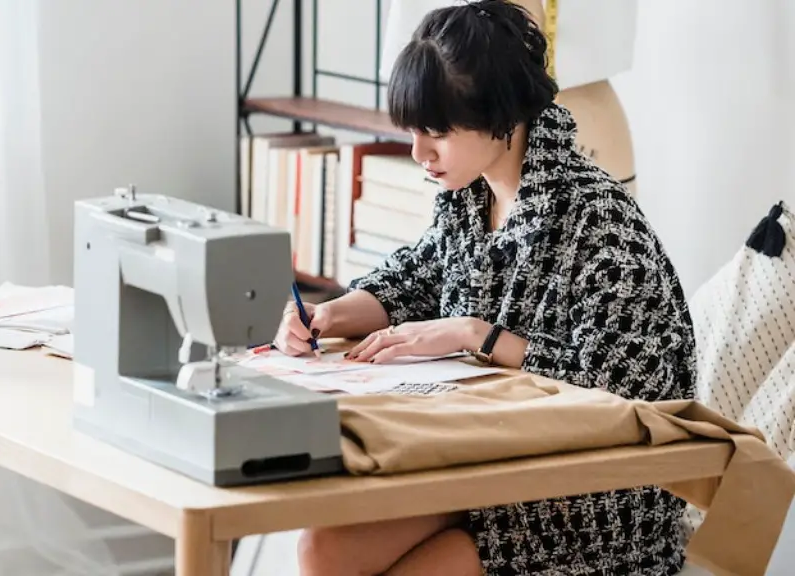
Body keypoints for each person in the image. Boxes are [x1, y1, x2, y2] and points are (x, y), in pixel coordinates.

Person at [271, 1, 697, 574]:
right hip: (484, 456)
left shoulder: (599, 219)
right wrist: (326, 317)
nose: (419, 153)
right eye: (414, 131)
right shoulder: (468, 195)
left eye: (437, 133)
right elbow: (412, 279)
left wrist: (477, 334)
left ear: (500, 117)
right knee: (322, 546)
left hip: (588, 495)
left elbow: (629, 385)